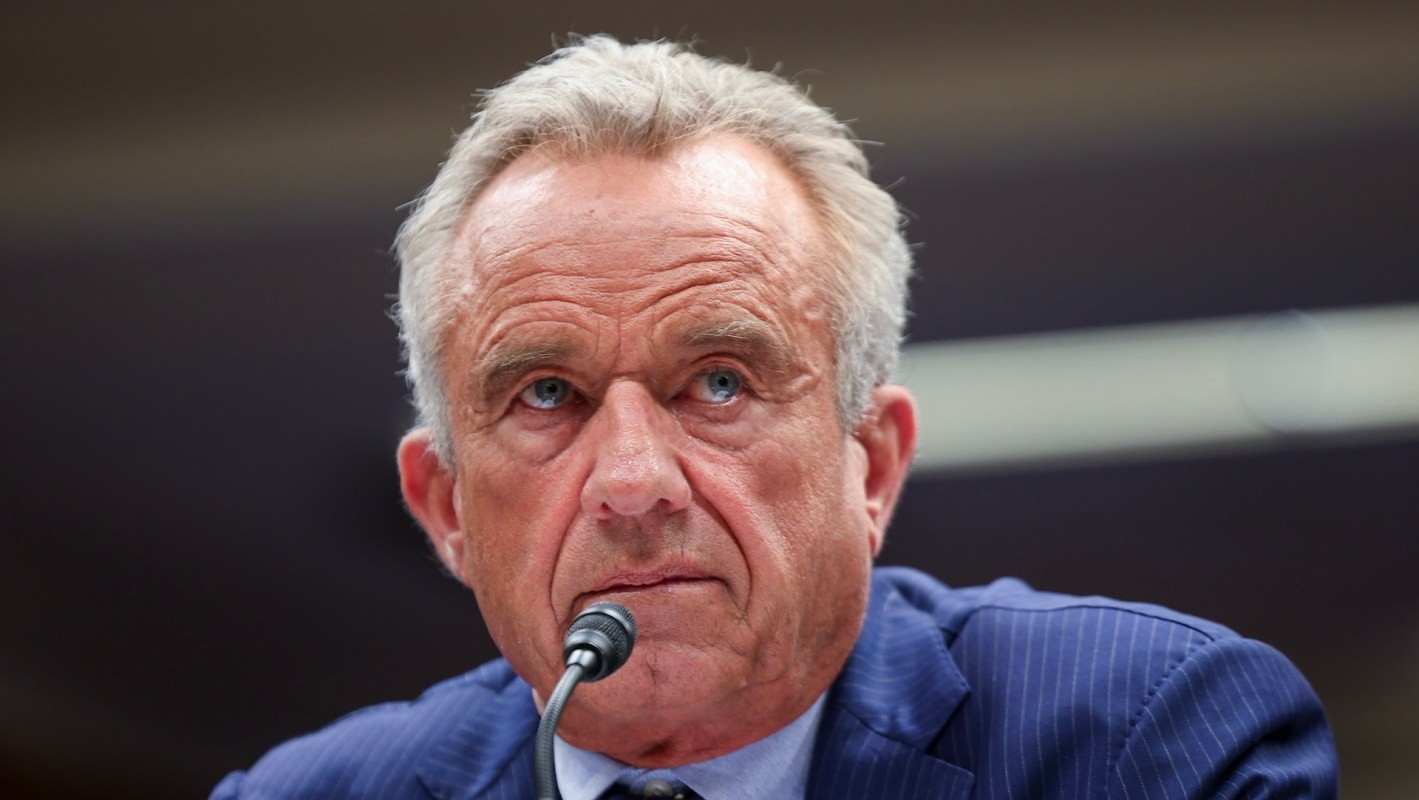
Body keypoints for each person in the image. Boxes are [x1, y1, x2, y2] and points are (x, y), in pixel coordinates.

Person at [212, 36, 1338, 799]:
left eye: (719, 383)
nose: (634, 481)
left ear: (873, 464)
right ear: (447, 508)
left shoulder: (1148, 741)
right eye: (546, 395)